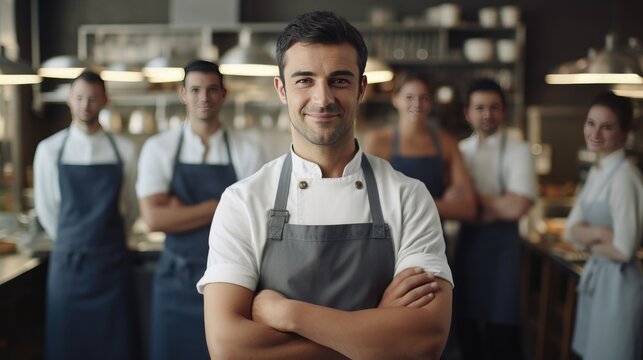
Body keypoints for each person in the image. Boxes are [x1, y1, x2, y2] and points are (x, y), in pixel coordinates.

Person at [197, 11, 453, 359]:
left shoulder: (409, 197)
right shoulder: (243, 201)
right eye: (304, 80)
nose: (323, 98)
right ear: (281, 89)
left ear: (361, 88)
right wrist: (376, 329)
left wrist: (289, 315)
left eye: (340, 80)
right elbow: (228, 347)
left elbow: (424, 342)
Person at [136, 59, 264, 360]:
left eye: (211, 90)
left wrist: (182, 211)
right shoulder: (159, 148)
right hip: (175, 278)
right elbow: (154, 218)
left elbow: (254, 220)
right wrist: (221, 204)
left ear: (224, 94)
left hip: (232, 283)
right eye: (195, 90)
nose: (203, 98)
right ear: (183, 94)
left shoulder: (248, 150)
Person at [34, 71, 140, 360]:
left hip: (112, 266)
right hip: (69, 267)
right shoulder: (49, 150)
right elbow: (46, 208)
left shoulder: (126, 150)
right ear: (69, 100)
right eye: (79, 98)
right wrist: (73, 241)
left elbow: (130, 206)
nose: (85, 105)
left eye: (92, 99)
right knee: (66, 347)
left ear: (104, 101)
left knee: (115, 347)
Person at [456, 78, 536, 360]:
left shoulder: (519, 150)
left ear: (504, 111)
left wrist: (472, 203)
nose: (487, 114)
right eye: (480, 108)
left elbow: (517, 207)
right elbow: (456, 204)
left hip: (504, 252)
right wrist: (496, 204)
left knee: (503, 335)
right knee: (467, 330)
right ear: (467, 112)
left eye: (494, 107)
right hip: (468, 246)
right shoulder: (459, 151)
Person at [564, 91, 642, 360]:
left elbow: (623, 249)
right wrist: (600, 233)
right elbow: (570, 230)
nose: (595, 133)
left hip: (619, 288)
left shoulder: (624, 178)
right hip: (599, 280)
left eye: (606, 126)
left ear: (624, 134)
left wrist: (587, 237)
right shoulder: (598, 170)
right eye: (591, 123)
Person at [363, 71, 476, 222]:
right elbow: (368, 202)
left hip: (435, 239)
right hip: (391, 241)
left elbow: (468, 209)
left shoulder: (447, 143)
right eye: (409, 97)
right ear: (395, 99)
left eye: (424, 98)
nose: (417, 104)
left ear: (431, 102)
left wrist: (403, 204)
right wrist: (440, 204)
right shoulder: (378, 141)